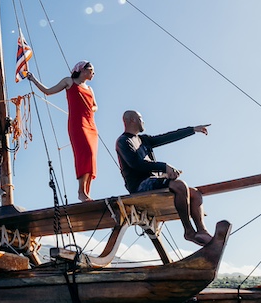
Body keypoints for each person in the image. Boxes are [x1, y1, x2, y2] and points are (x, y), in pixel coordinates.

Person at [115, 110, 212, 245]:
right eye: (140, 118)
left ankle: (202, 232)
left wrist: (192, 130)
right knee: (180, 185)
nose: (143, 121)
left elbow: (167, 137)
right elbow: (136, 164)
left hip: (153, 182)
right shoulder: (123, 141)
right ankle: (189, 231)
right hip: (139, 186)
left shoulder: (143, 140)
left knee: (195, 193)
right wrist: (164, 167)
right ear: (132, 120)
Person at [27, 60, 99, 201]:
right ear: (83, 70)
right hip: (78, 124)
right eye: (91, 70)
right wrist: (33, 79)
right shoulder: (69, 82)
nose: (93, 73)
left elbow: (95, 106)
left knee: (91, 157)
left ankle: (86, 193)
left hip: (91, 125)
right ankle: (81, 191)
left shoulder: (90, 89)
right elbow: (48, 91)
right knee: (85, 153)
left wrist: (91, 108)